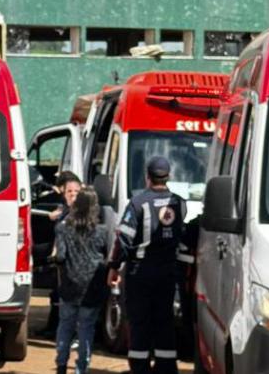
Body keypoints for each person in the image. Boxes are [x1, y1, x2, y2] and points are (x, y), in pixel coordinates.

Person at [107, 156, 186, 374]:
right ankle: (166, 368)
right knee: (164, 321)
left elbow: (123, 239)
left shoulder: (138, 203)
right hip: (168, 273)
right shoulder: (180, 203)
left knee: (139, 323)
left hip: (140, 273)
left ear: (147, 177)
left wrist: (114, 267)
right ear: (168, 176)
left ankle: (140, 368)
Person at [52, 188, 110, 374]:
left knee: (65, 325)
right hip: (92, 287)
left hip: (69, 285)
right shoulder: (102, 231)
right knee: (86, 328)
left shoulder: (62, 228)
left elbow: (60, 256)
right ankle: (81, 368)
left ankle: (61, 365)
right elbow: (107, 258)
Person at [41, 170, 82, 338]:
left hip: (76, 264)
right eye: (69, 192)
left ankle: (73, 335)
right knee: (58, 296)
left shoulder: (83, 213)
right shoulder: (63, 211)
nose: (72, 195)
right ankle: (56, 329)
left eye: (76, 192)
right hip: (62, 263)